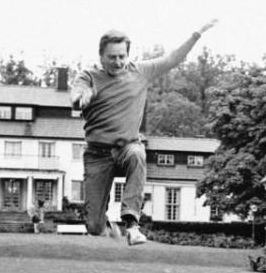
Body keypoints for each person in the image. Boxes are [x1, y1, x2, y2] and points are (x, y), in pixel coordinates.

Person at [71, 20, 218, 245]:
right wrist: (82, 98)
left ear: (128, 54)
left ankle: (131, 223)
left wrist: (196, 34)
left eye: (122, 56)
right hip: (97, 155)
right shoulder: (89, 76)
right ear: (101, 56)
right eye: (112, 57)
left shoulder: (141, 71)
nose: (118, 62)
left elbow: (172, 59)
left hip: (127, 146)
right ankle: (105, 224)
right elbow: (77, 93)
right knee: (93, 226)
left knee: (138, 154)